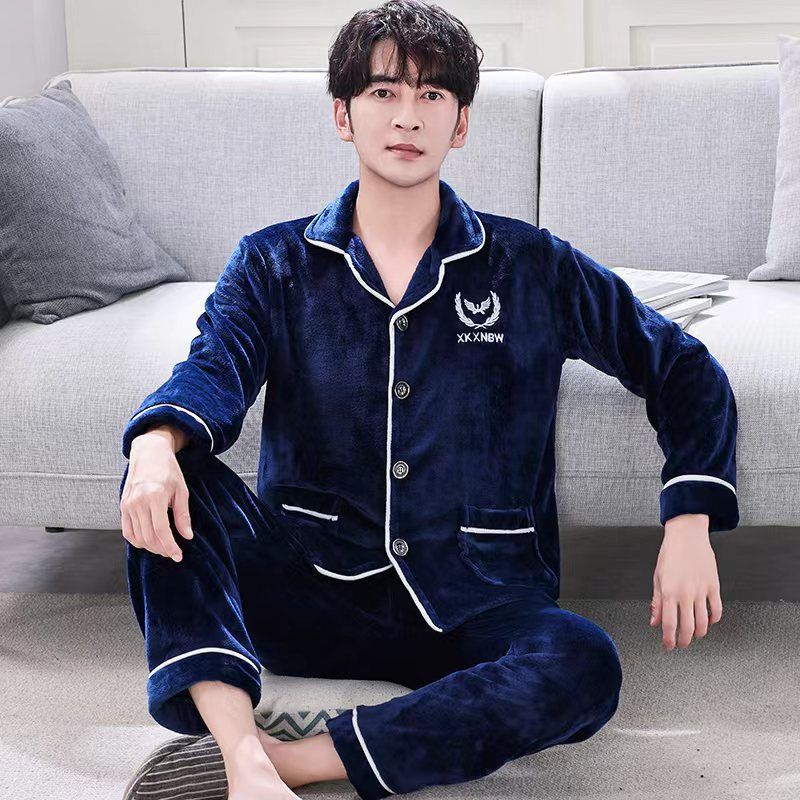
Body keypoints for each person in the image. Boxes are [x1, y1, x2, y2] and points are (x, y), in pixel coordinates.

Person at [118, 1, 739, 798]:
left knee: (583, 664)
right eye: (383, 92)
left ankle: (301, 760)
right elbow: (214, 369)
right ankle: (241, 755)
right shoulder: (274, 263)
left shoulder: (531, 264)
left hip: (478, 598)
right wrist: (154, 446)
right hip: (310, 585)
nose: (407, 116)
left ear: (461, 123)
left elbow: (681, 367)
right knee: (165, 471)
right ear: (343, 115)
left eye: (432, 95)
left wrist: (688, 523)